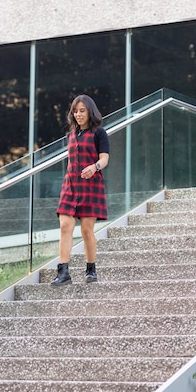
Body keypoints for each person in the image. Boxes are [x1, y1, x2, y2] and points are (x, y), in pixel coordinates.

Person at [51, 94, 110, 286]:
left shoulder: (99, 133)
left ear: (90, 111)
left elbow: (104, 159)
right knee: (65, 226)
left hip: (90, 185)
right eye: (75, 111)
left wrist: (95, 167)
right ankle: (63, 272)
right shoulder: (70, 136)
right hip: (70, 185)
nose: (78, 114)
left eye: (82, 110)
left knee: (86, 230)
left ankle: (91, 269)